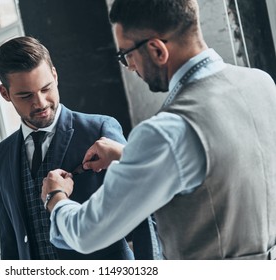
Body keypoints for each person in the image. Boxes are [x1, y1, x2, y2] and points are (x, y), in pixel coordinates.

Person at [41, 0, 276, 260]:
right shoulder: (262, 83)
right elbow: (228, 158)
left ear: (156, 50)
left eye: (126, 54)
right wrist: (131, 154)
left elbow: (86, 233)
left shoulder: (165, 132)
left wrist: (56, 196)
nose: (129, 66)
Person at [0, 36, 141, 260]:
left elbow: (137, 211)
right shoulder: (1, 154)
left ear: (55, 75)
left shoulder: (99, 129)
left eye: (46, 88)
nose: (40, 102)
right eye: (26, 95)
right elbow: (10, 237)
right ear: (5, 93)